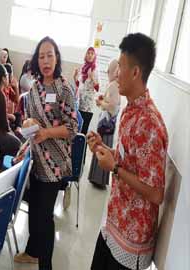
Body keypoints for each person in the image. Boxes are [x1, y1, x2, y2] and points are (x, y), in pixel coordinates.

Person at [89, 33, 168, 270]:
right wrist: (103, 149)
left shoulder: (150, 123)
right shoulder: (131, 110)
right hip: (114, 222)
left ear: (135, 72)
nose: (115, 74)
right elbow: (128, 160)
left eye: (120, 67)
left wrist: (114, 167)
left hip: (131, 240)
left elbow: (156, 194)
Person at [14, 36, 78, 270]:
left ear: (57, 57)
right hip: (35, 158)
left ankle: (46, 265)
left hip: (54, 162)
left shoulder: (64, 88)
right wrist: (28, 127)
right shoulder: (34, 88)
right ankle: (32, 251)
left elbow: (72, 128)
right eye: (41, 56)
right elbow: (28, 119)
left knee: (45, 217)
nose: (45, 60)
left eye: (50, 55)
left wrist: (46, 133)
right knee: (33, 208)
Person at [88, 59, 121, 188]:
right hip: (107, 122)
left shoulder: (113, 85)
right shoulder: (114, 85)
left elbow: (112, 106)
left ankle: (98, 178)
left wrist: (101, 102)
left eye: (109, 69)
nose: (107, 72)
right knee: (102, 145)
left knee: (102, 147)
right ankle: (98, 178)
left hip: (107, 124)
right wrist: (103, 101)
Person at [74, 47, 99, 135]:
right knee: (77, 130)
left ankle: (82, 148)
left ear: (94, 56)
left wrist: (92, 78)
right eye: (88, 53)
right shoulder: (83, 68)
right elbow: (79, 85)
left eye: (92, 53)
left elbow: (97, 88)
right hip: (79, 104)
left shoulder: (95, 70)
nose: (90, 55)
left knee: (83, 132)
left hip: (87, 107)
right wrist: (75, 78)